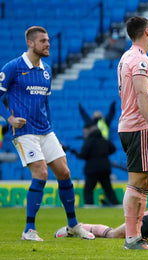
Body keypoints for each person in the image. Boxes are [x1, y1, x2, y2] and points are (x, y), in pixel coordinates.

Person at [0, 26, 94, 241]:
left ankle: (73, 226)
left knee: (64, 173)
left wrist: (52, 132)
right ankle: (29, 230)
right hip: (24, 132)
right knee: (41, 173)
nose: (48, 44)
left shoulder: (47, 70)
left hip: (45, 130)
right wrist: (10, 119)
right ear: (31, 43)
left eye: (48, 40)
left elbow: (45, 103)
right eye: (43, 41)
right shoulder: (13, 67)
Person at [117, 16, 148, 250]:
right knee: (137, 181)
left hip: (132, 125)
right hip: (138, 127)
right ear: (146, 32)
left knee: (145, 180)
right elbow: (142, 93)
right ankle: (132, 238)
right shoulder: (139, 60)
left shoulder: (127, 57)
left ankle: (137, 236)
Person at [70, 125, 120, 206]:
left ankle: (89, 205)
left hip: (92, 169)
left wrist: (75, 153)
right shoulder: (104, 140)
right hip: (104, 168)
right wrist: (105, 154)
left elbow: (83, 155)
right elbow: (113, 149)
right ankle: (115, 204)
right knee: (108, 188)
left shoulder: (89, 141)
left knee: (88, 189)